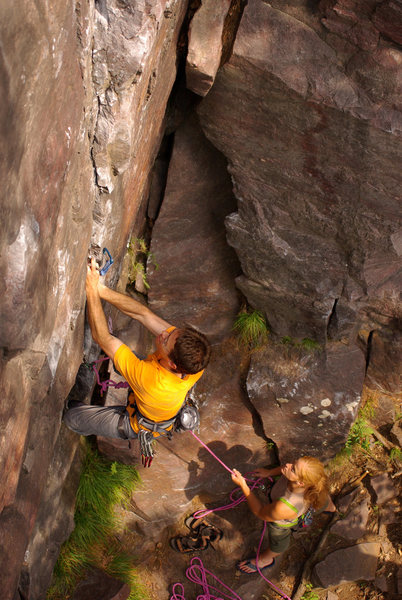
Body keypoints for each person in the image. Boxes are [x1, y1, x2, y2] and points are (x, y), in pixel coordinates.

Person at [63, 258, 211, 442]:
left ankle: (76, 409)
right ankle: (120, 367)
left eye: (166, 341)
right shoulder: (195, 361)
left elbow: (102, 338)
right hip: (154, 391)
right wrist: (102, 291)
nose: (164, 334)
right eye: (171, 333)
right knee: (125, 362)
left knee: (72, 418)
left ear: (173, 364)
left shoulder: (151, 379)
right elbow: (144, 315)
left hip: (138, 421)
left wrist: (91, 289)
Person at [231, 456, 336, 574]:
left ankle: (265, 559)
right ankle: (330, 506)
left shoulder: (285, 506)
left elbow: (260, 512)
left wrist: (244, 486)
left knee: (278, 544)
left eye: (293, 469)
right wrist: (269, 473)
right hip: (308, 503)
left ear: (300, 482)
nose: (287, 465)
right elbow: (286, 468)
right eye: (293, 463)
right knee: (321, 502)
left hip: (283, 522)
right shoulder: (313, 483)